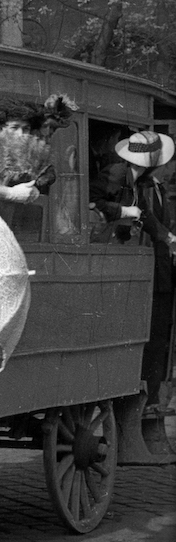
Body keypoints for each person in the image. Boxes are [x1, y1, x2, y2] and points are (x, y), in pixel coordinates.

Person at [90, 130, 176, 402]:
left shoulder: (139, 181)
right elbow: (91, 201)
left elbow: (147, 216)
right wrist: (123, 212)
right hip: (109, 252)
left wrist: (168, 237)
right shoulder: (116, 173)